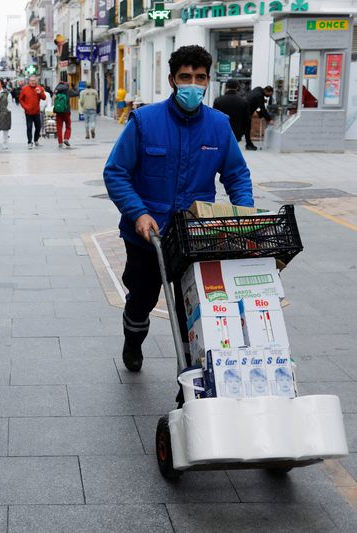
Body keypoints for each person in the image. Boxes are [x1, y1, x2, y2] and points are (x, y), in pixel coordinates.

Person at [103, 44, 253, 374]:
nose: (193, 84)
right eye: (185, 77)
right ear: (172, 80)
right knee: (141, 299)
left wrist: (243, 214)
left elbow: (237, 174)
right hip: (146, 235)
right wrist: (138, 213)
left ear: (208, 81)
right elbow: (115, 172)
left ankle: (190, 380)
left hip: (193, 235)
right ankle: (133, 338)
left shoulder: (218, 126)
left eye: (199, 78)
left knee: (193, 309)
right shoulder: (144, 121)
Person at [244, 85, 275, 150]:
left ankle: (248, 143)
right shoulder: (260, 96)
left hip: (246, 109)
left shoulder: (258, 88)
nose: (269, 96)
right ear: (266, 91)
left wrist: (262, 101)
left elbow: (254, 98)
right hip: (247, 111)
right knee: (247, 128)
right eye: (269, 94)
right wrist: (269, 119)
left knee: (246, 127)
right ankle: (248, 145)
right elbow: (263, 109)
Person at [19, 75, 46, 149]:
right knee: (29, 127)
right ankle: (29, 142)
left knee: (38, 127)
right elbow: (20, 99)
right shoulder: (25, 89)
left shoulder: (39, 88)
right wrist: (25, 107)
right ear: (29, 81)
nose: (33, 82)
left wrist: (39, 93)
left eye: (34, 81)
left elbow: (44, 98)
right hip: (28, 112)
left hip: (36, 112)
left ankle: (36, 140)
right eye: (31, 81)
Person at [53, 79, 72, 148]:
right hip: (66, 112)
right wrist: (73, 86)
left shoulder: (57, 92)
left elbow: (54, 92)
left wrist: (59, 84)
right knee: (68, 126)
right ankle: (66, 138)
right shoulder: (68, 91)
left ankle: (60, 142)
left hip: (58, 112)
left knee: (59, 127)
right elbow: (77, 93)